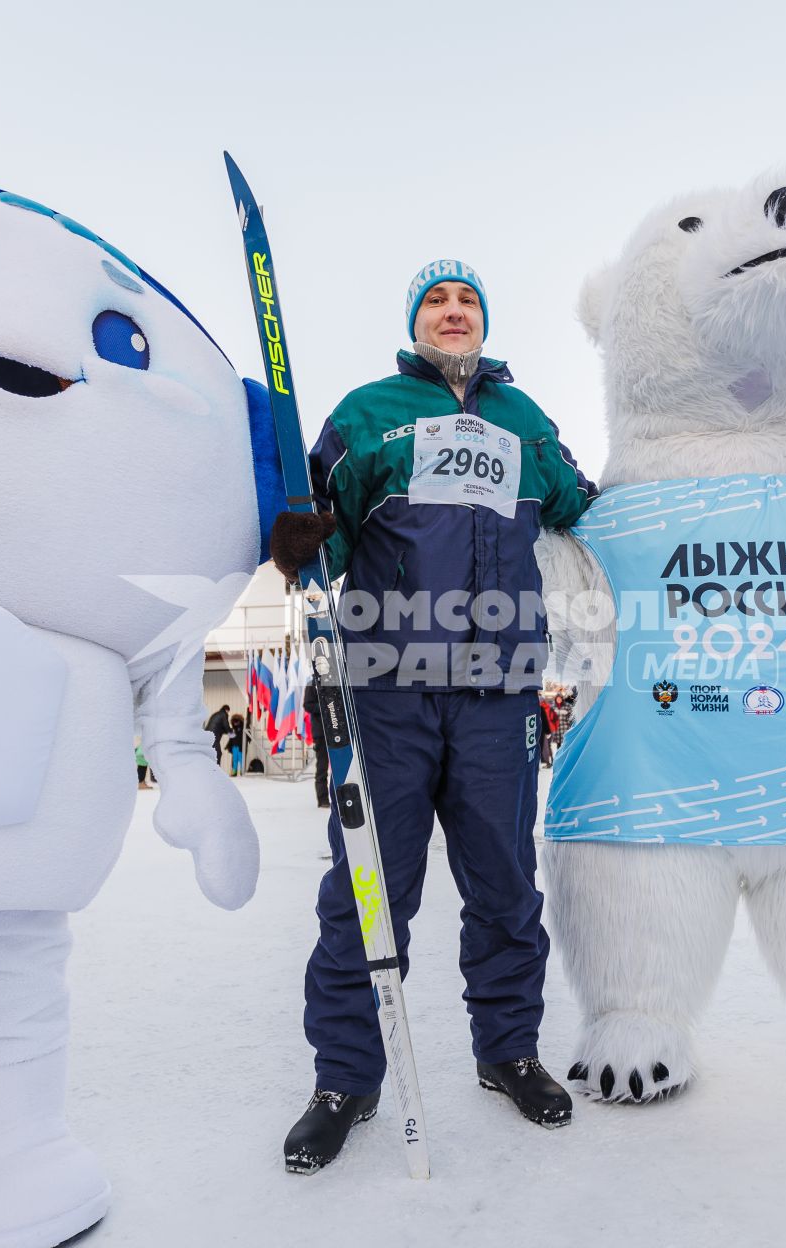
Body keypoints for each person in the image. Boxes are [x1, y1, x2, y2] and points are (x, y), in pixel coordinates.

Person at [266, 258, 597, 1173]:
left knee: (505, 885)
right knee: (371, 891)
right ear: (415, 323)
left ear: (484, 324)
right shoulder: (370, 412)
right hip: (389, 688)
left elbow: (577, 504)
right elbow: (309, 512)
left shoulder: (525, 419)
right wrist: (297, 530)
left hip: (499, 691)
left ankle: (509, 1052)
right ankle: (345, 1078)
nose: (453, 313)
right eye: (436, 302)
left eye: (467, 302)